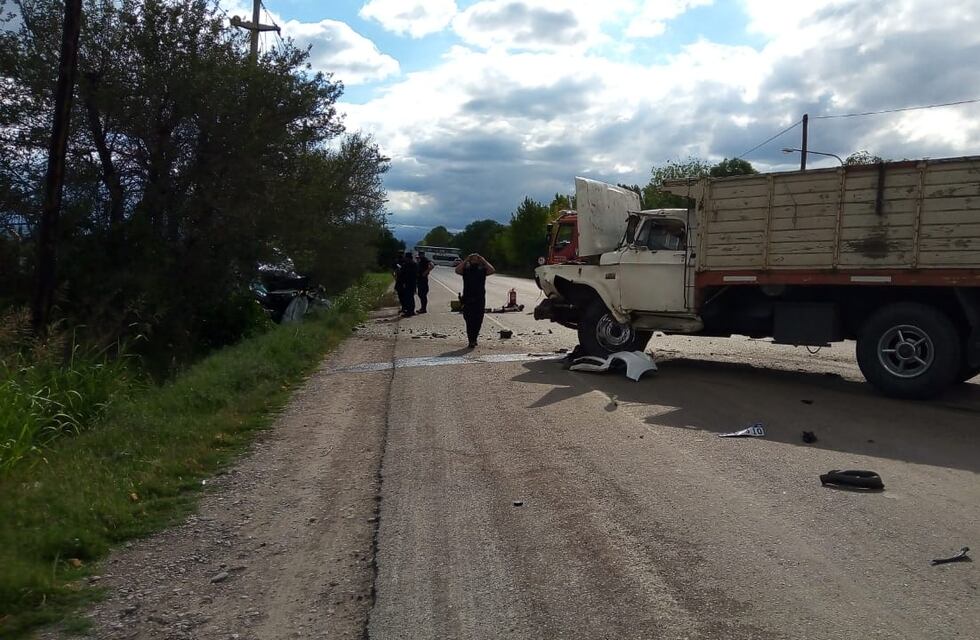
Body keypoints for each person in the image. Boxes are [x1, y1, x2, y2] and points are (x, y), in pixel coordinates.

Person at [454, 253, 495, 348]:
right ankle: (471, 339)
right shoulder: (466, 270)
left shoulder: (482, 270)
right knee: (469, 319)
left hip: (479, 298)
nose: (474, 261)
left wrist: (483, 260)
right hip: (468, 298)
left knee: (478, 320)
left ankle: (474, 338)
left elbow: (492, 270)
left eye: (476, 259)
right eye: (472, 259)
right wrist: (466, 260)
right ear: (469, 261)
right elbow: (457, 270)